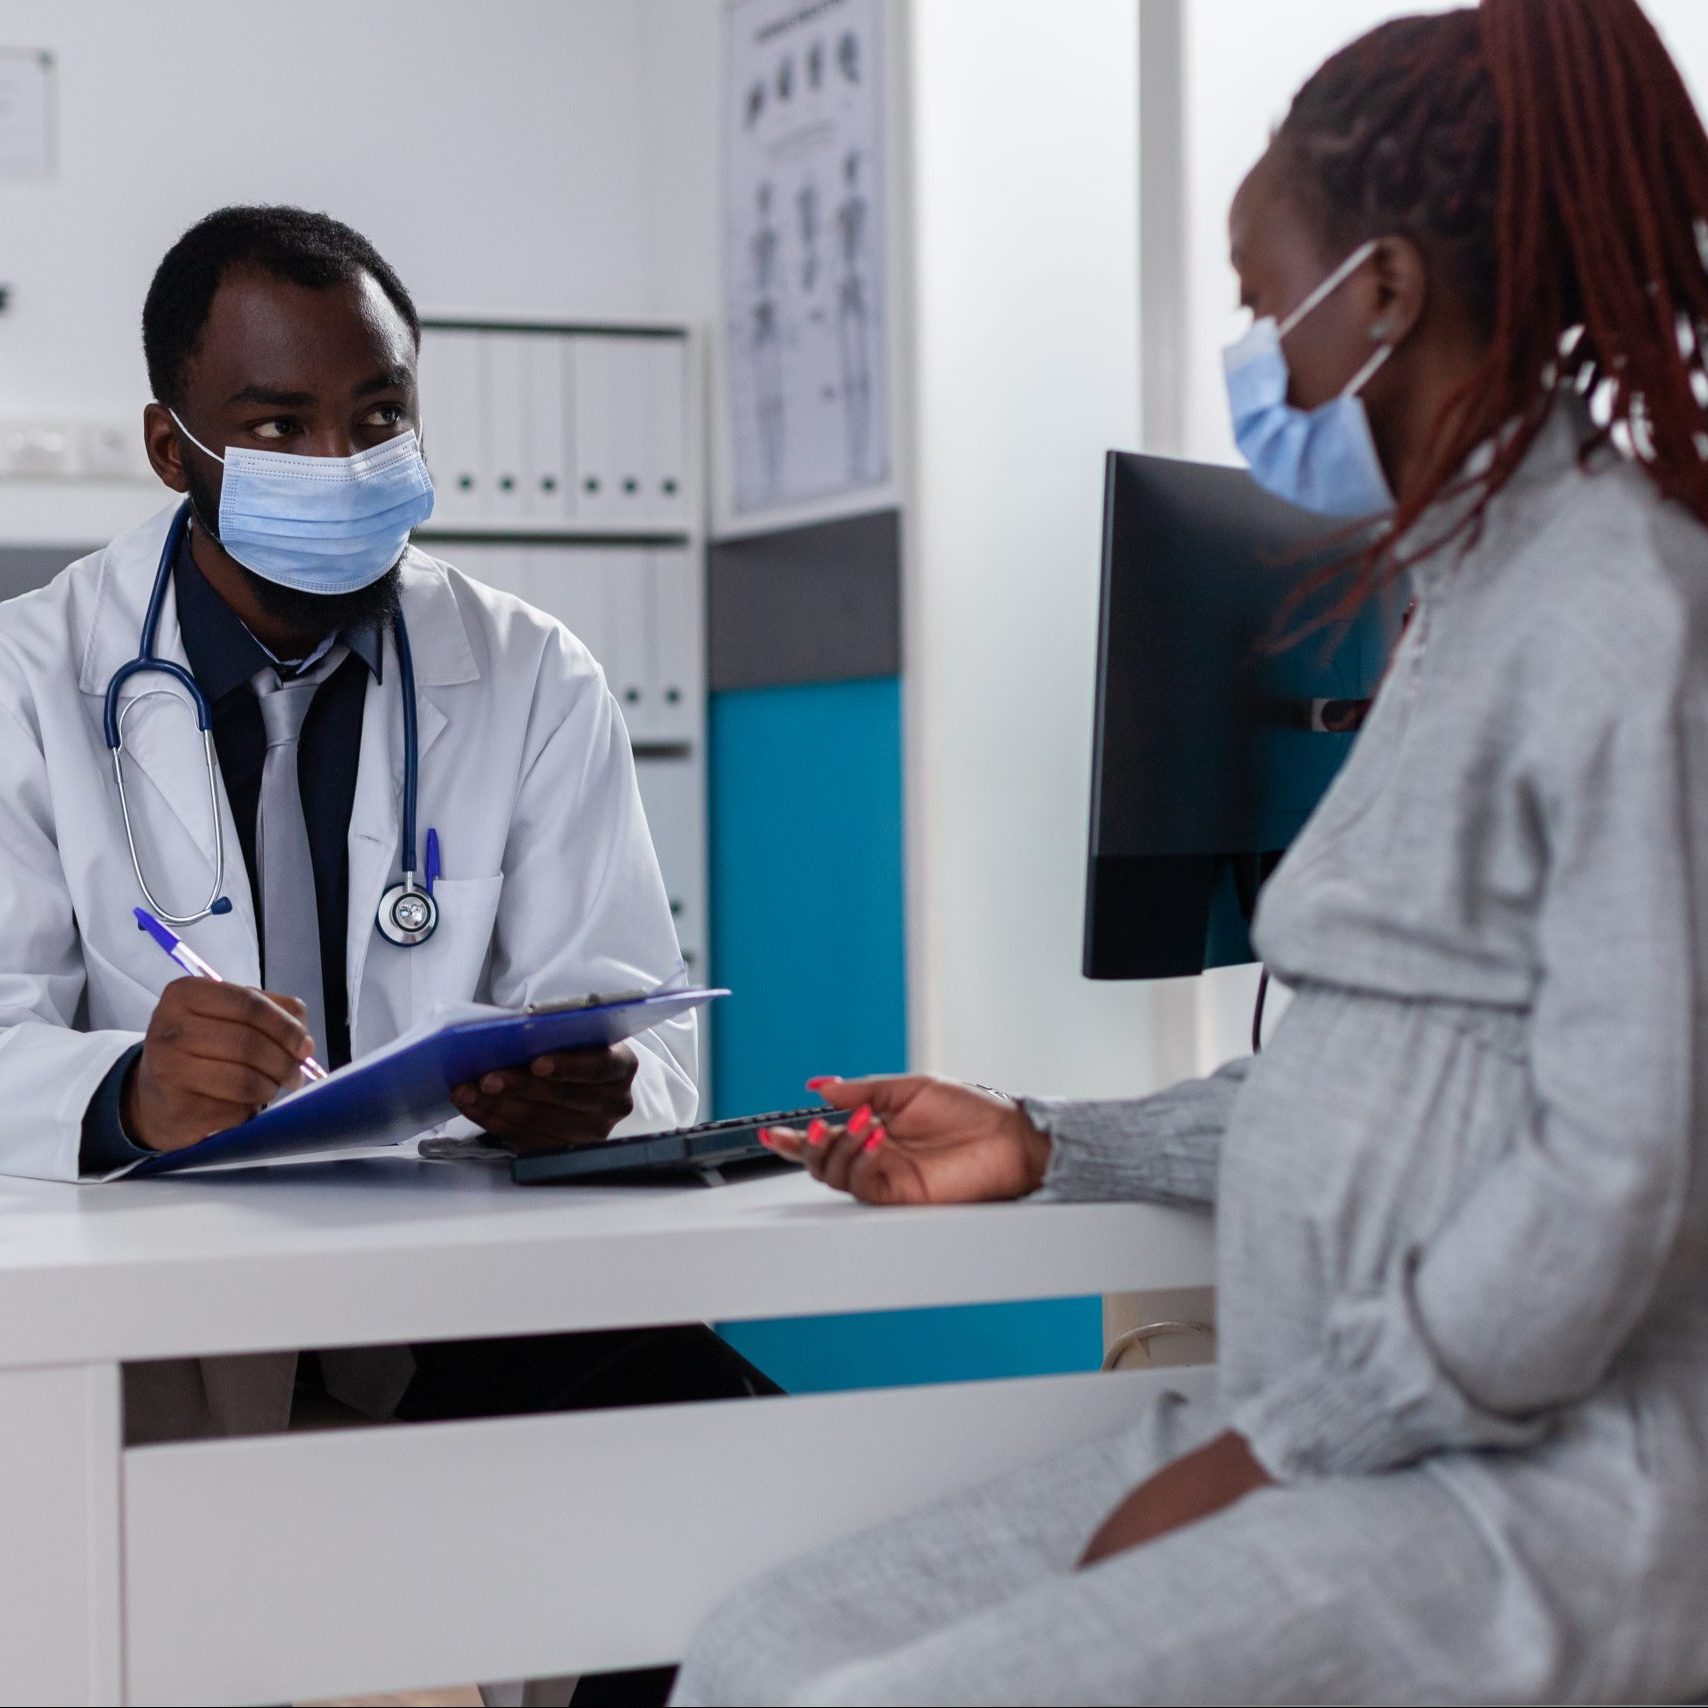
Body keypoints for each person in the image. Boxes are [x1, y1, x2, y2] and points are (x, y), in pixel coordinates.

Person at [672, 1, 1708, 1702]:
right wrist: (1046, 1137)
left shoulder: (1622, 611)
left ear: (1378, 293)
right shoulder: (1453, 599)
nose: (1256, 365)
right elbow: (1385, 1079)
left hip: (1530, 1495)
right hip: (1340, 1430)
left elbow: (1615, 1165)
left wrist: (1281, 1447)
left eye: (1260, 305)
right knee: (754, 1647)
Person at [0, 208, 774, 1469]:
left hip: (452, 1286)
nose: (344, 462)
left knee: (703, 1454)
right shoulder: (27, 679)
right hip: (142, 1311)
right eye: (276, 425)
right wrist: (126, 1095)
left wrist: (594, 1089)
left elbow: (647, 1032)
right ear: (170, 446)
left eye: (378, 416)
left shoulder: (531, 674)